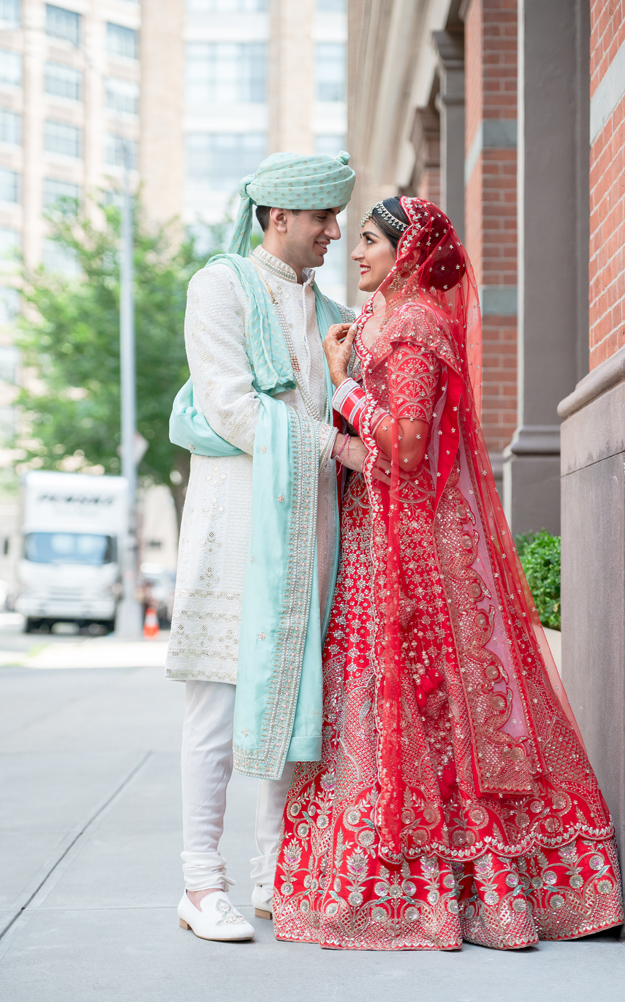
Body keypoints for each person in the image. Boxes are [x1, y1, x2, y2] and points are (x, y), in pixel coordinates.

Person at [273, 196, 624, 951]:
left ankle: (463, 891)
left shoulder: (413, 327)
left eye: (366, 240)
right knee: (386, 701)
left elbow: (404, 447)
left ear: (403, 250)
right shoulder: (382, 320)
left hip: (416, 549)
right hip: (379, 538)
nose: (354, 252)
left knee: (433, 704)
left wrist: (340, 390)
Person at [165, 151, 364, 942]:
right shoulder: (218, 288)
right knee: (216, 707)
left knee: (291, 705)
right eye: (323, 218)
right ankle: (199, 883)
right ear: (278, 216)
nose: (336, 233)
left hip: (308, 526)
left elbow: (336, 405)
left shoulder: (322, 308)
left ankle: (273, 874)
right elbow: (230, 406)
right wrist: (333, 446)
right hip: (233, 525)